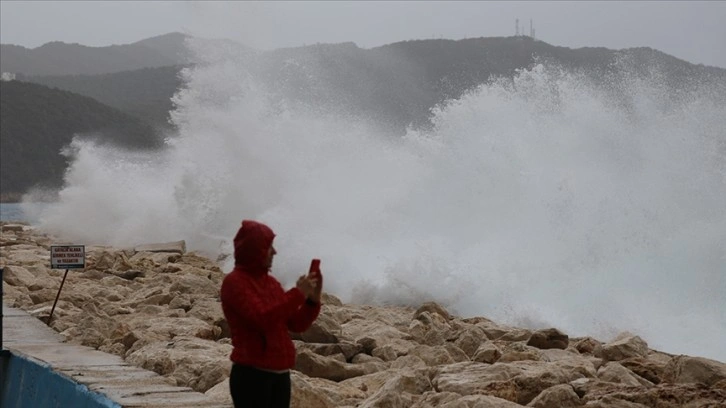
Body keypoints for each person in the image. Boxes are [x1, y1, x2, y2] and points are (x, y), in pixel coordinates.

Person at [220, 219, 322, 408]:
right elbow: (261, 318)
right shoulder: (234, 283)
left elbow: (296, 324)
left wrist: (311, 301)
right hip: (252, 376)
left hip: (280, 373)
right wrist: (297, 293)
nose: (274, 252)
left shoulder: (271, 283)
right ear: (255, 249)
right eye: (269, 247)